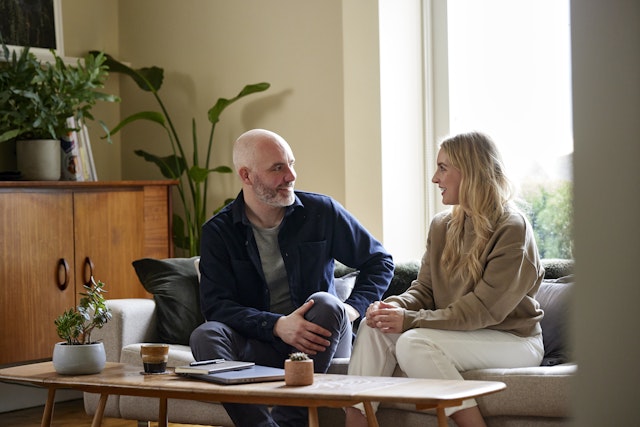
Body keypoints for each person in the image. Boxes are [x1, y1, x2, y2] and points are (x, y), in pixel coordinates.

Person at [190, 128, 394, 427]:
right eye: (277, 168)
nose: (291, 175)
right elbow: (217, 306)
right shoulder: (218, 232)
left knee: (327, 303)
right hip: (258, 341)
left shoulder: (321, 212)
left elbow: (380, 261)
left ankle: (291, 419)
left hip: (318, 340)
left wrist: (352, 309)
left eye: (291, 164)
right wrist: (276, 326)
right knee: (205, 335)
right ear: (246, 176)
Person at [345, 131, 545, 427]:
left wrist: (410, 321)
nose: (434, 178)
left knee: (414, 343)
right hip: (461, 333)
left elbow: (483, 310)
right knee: (374, 328)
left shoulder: (512, 227)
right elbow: (424, 290)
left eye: (443, 168)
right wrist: (392, 308)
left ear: (471, 171)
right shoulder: (442, 225)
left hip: (512, 339)